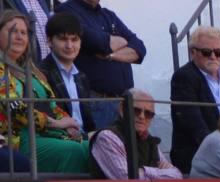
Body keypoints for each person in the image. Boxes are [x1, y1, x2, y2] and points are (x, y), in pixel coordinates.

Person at [0, 10, 88, 172]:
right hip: (20, 138)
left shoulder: (33, 70)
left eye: (23, 32)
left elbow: (53, 105)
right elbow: (14, 107)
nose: (19, 36)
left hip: (49, 133)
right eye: (13, 31)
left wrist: (69, 123)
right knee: (73, 151)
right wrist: (55, 123)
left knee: (90, 148)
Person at [53, 0, 143, 130]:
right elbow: (96, 42)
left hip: (125, 103)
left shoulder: (109, 15)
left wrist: (110, 56)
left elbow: (139, 48)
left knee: (127, 149)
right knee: (101, 147)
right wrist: (120, 46)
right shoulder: (67, 11)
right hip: (97, 102)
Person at [169, 25, 220, 174]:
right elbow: (195, 126)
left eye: (219, 52)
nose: (213, 57)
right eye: (206, 52)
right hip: (199, 157)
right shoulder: (184, 78)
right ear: (193, 52)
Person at [90, 87, 181, 180]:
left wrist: (143, 171)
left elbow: (176, 175)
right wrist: (158, 173)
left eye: (148, 113)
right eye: (136, 110)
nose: (142, 116)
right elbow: (128, 178)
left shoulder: (149, 141)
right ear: (122, 109)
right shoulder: (107, 137)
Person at [38, 12, 93, 134]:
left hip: (83, 137)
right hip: (59, 138)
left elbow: (88, 122)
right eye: (63, 39)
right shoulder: (41, 73)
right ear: (49, 41)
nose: (69, 45)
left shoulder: (82, 77)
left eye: (74, 39)